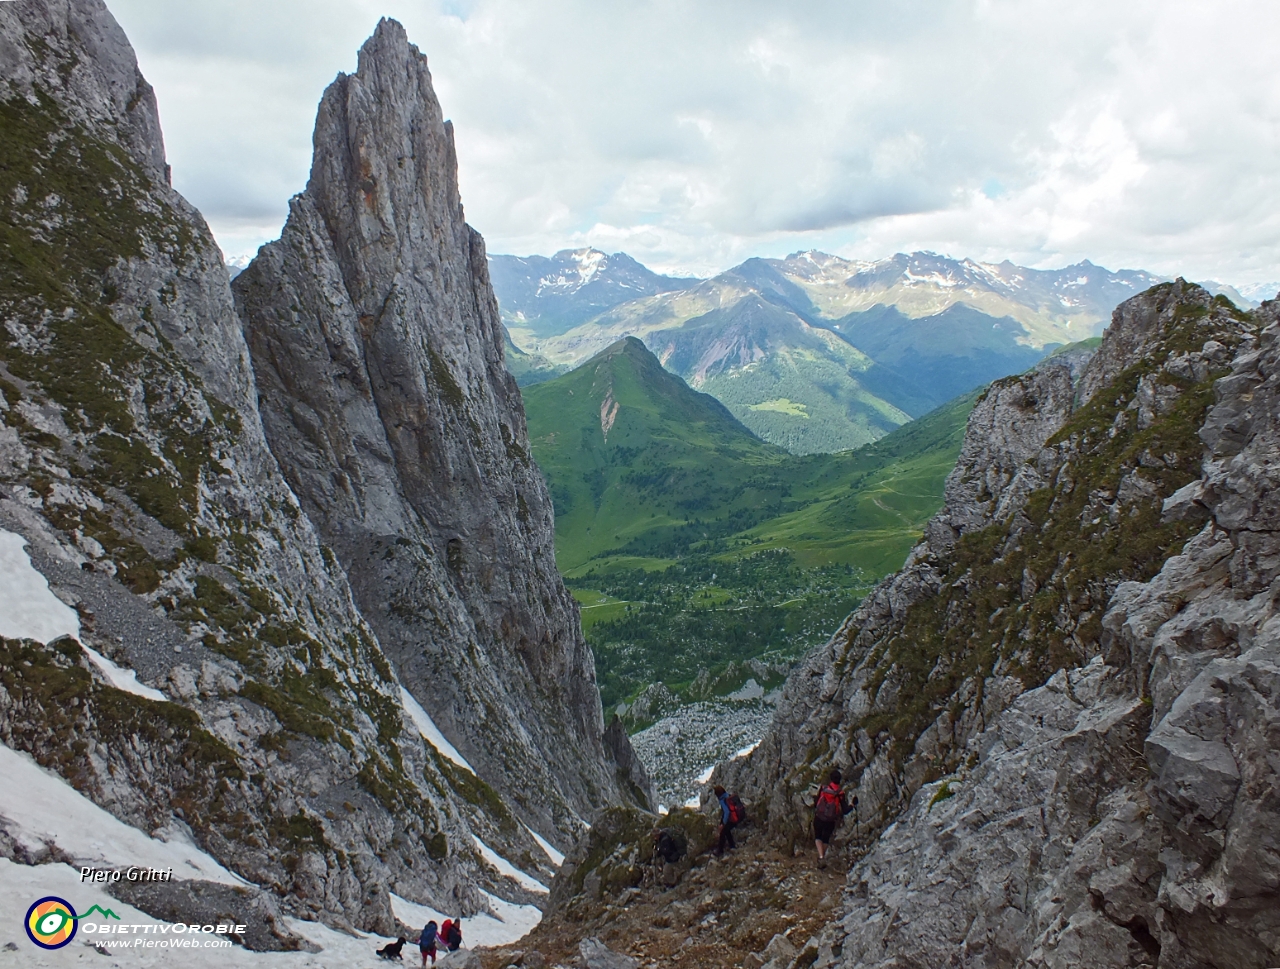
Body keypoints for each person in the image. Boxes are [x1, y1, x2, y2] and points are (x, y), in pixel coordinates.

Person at [813, 768, 856, 867]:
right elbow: (845, 810)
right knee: (826, 839)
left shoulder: (823, 789)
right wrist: (852, 805)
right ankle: (822, 857)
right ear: (839, 780)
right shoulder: (840, 794)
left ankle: (821, 857)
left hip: (819, 816)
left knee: (818, 836)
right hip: (831, 820)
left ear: (831, 779)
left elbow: (817, 803)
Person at [713, 785, 744, 855]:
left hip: (732, 819)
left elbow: (727, 812)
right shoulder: (728, 796)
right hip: (737, 817)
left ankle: (720, 850)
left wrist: (723, 824)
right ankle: (732, 845)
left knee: (723, 832)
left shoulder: (722, 799)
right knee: (727, 830)